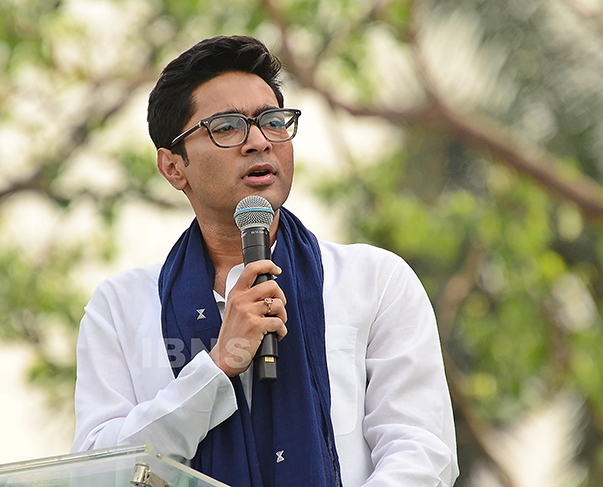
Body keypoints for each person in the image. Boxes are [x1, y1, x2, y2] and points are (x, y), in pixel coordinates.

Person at [71, 35, 458, 487]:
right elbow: (97, 472)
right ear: (173, 167)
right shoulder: (120, 307)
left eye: (273, 121)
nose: (259, 142)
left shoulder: (375, 282)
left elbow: (422, 451)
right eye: (226, 127)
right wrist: (216, 367)